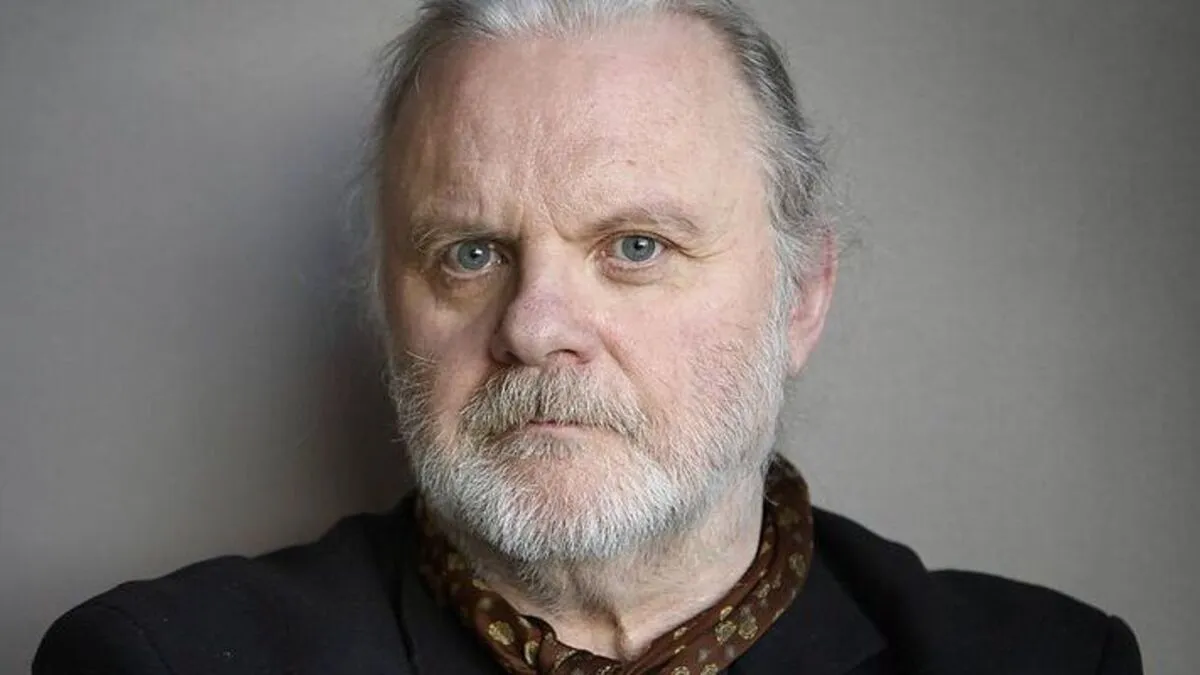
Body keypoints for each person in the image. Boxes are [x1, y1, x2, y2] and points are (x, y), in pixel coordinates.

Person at [33, 1, 1142, 673]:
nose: (534, 327)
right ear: (387, 301)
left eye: (635, 246)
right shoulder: (156, 661)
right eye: (471, 252)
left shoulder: (1048, 661)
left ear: (802, 296)